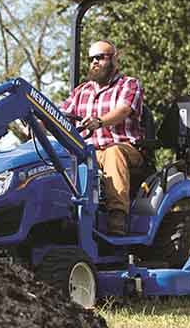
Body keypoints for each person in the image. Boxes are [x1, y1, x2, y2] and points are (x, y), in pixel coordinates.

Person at [61, 39, 144, 236]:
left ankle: (117, 216)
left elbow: (123, 110)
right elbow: (60, 115)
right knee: (58, 157)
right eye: (91, 59)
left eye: (100, 57)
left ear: (115, 60)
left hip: (124, 148)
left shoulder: (129, 84)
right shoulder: (81, 91)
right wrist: (38, 121)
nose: (94, 62)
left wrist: (99, 122)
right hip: (88, 153)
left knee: (112, 153)